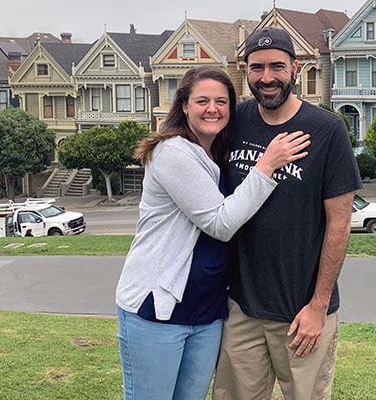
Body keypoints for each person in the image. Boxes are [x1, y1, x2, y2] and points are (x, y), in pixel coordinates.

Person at [115, 66, 310, 400]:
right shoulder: (173, 152)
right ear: (185, 106)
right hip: (157, 308)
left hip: (207, 312)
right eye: (202, 100)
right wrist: (266, 165)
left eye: (222, 101)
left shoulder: (218, 153)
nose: (213, 109)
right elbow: (220, 224)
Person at [213, 27, 362, 400]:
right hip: (241, 307)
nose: (267, 78)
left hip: (303, 313)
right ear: (243, 69)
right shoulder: (235, 120)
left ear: (295, 67)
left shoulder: (327, 130)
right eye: (257, 67)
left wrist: (318, 306)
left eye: (277, 66)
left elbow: (340, 224)